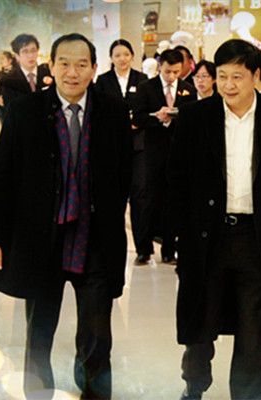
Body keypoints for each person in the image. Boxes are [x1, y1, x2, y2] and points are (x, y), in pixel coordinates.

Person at [0, 33, 133, 399]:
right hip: (41, 237)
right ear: (52, 66)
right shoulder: (25, 111)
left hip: (95, 238)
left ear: (94, 68)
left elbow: (123, 173)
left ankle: (95, 392)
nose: (72, 72)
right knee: (39, 329)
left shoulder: (112, 111)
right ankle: (37, 391)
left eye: (81, 64)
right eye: (64, 63)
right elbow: (1, 176)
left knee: (98, 329)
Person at [168, 38, 261, 400]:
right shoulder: (195, 117)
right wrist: (180, 233)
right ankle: (194, 385)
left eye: (237, 77)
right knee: (201, 319)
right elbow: (177, 179)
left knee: (254, 328)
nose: (228, 85)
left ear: (256, 76)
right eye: (223, 76)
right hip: (207, 236)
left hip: (257, 239)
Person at [132, 49, 196, 264]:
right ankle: (144, 248)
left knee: (172, 200)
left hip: (177, 151)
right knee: (149, 199)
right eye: (168, 71)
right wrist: (157, 118)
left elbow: (190, 119)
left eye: (176, 72)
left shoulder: (188, 89)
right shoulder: (146, 87)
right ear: (160, 66)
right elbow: (138, 118)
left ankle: (169, 249)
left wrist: (174, 118)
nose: (171, 76)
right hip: (153, 151)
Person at [95, 39, 150, 265]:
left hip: (138, 145)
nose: (122, 59)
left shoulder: (142, 79)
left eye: (126, 54)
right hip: (113, 147)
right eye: (117, 55)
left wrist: (137, 120)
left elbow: (147, 109)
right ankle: (110, 247)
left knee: (140, 196)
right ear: (111, 58)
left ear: (132, 56)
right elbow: (98, 111)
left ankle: (143, 248)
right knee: (114, 197)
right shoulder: (103, 81)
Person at [0, 33, 52, 121]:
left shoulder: (48, 72)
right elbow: (10, 112)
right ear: (17, 56)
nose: (30, 55)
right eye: (25, 51)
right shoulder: (9, 80)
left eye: (33, 50)